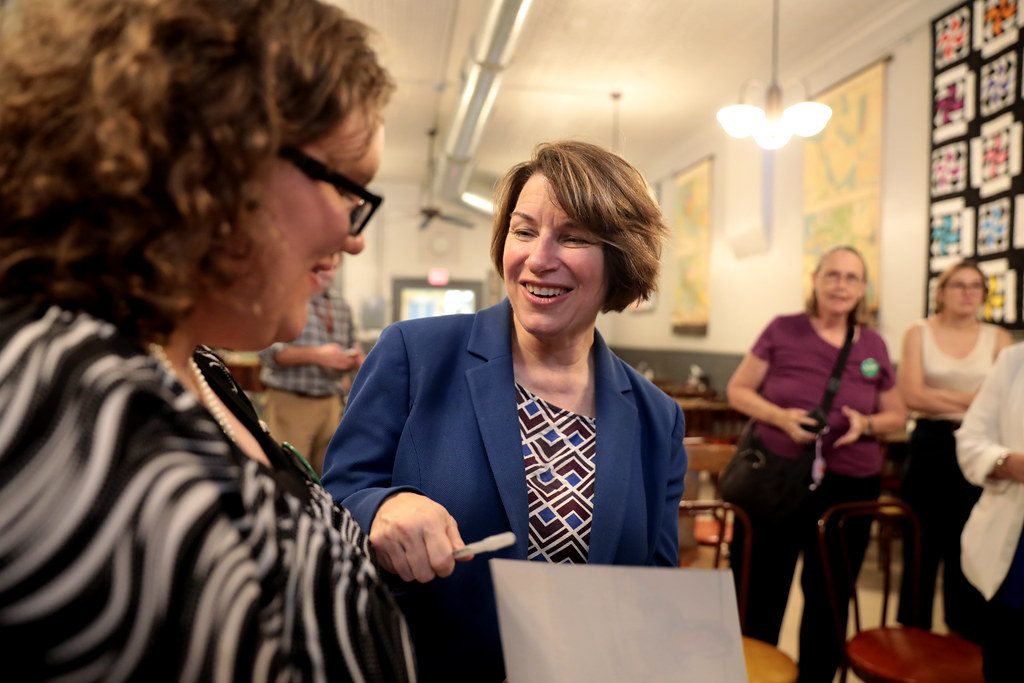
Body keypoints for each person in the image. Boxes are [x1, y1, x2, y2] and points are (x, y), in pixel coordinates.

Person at [0, 0, 415, 680]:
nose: (353, 235)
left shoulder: (193, 362)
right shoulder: (73, 416)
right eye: (348, 188)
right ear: (219, 161)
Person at [321, 140, 687, 682]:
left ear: (621, 259)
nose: (539, 258)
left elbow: (651, 585)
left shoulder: (658, 418)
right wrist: (381, 507)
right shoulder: (415, 355)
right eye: (524, 231)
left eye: (573, 237)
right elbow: (335, 500)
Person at [725, 245, 906, 683]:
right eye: (833, 275)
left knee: (830, 598)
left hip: (849, 487)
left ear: (863, 289)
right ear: (816, 280)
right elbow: (738, 390)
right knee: (760, 594)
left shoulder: (874, 345)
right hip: (777, 480)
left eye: (852, 277)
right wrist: (780, 417)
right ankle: (752, 675)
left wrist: (866, 423)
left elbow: (897, 417)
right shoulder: (783, 329)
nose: (841, 285)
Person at [896, 260, 1011, 641]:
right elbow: (912, 395)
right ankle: (912, 637)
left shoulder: (999, 339)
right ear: (941, 292)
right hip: (930, 444)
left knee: (969, 542)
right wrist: (977, 400)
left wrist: (940, 395)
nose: (967, 292)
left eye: (975, 286)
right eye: (958, 285)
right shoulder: (918, 332)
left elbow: (1004, 402)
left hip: (979, 448)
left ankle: (962, 638)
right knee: (920, 544)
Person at [259, 253, 365, 476]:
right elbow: (267, 352)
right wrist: (317, 355)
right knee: (289, 475)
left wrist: (354, 360)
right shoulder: (286, 298)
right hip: (291, 403)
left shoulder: (340, 305)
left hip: (331, 403)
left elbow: (352, 345)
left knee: (329, 476)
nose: (328, 270)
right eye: (322, 265)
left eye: (333, 266)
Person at [956, 343, 1024, 683]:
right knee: (1005, 660)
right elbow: (970, 441)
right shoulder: (1015, 361)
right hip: (1013, 554)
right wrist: (1009, 463)